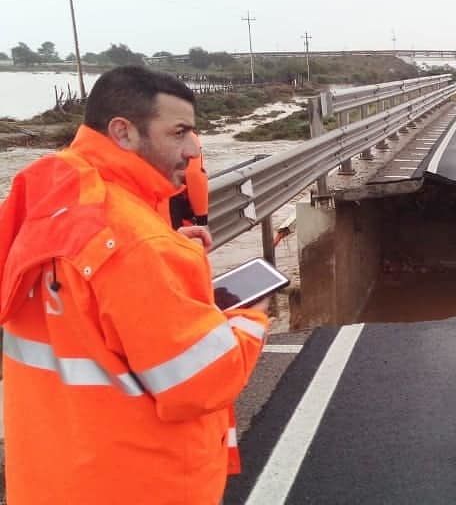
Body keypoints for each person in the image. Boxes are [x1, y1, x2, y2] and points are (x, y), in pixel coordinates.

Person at [0, 65, 270, 505]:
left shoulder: (48, 194)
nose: (193, 149)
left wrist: (162, 253)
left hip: (50, 479)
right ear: (123, 133)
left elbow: (80, 300)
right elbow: (199, 382)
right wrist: (247, 323)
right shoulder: (135, 242)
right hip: (138, 483)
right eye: (179, 132)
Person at [168, 131, 209, 230]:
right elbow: (195, 176)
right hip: (173, 210)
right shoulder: (187, 137)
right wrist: (202, 218)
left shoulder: (134, 137)